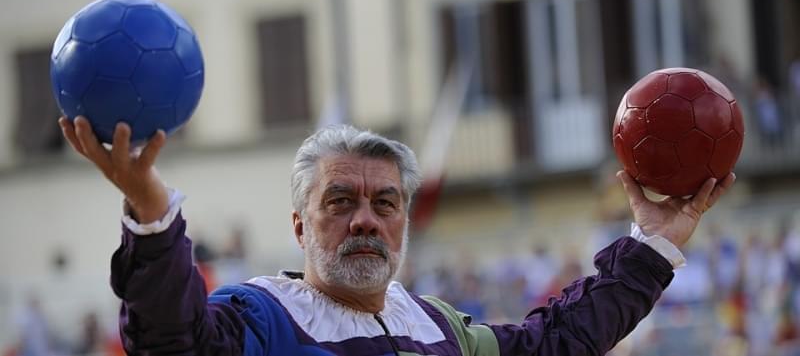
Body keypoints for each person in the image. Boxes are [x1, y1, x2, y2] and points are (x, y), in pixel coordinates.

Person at [58, 116, 736, 356]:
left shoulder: (443, 329)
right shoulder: (258, 318)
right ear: (300, 224)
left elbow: (561, 338)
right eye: (341, 201)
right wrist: (150, 208)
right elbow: (169, 337)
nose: (366, 219)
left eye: (386, 202)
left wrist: (651, 246)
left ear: (404, 221)